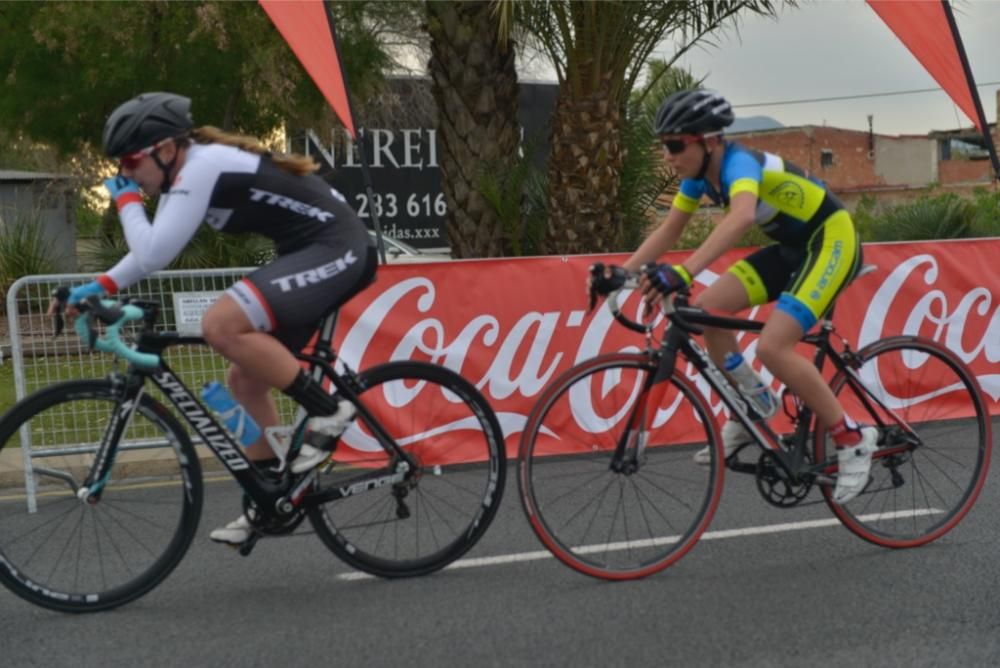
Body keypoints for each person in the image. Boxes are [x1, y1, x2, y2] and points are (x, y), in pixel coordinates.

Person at [55, 92, 377, 543]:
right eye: (120, 169)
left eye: (130, 162)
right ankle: (271, 496)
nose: (124, 175)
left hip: (339, 247)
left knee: (220, 324)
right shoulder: (184, 174)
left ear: (166, 150)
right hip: (308, 251)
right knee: (242, 383)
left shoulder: (203, 165)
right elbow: (149, 257)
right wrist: (99, 286)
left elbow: (153, 250)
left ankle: (331, 411)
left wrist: (125, 201)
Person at [595, 88, 876, 504]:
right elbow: (669, 229)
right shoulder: (696, 177)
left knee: (773, 347)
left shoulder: (739, 163)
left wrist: (683, 272)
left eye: (675, 145)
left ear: (708, 141)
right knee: (706, 311)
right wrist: (622, 273)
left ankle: (852, 437)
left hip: (830, 239)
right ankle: (754, 406)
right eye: (664, 147)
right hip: (791, 248)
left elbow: (742, 216)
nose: (668, 156)